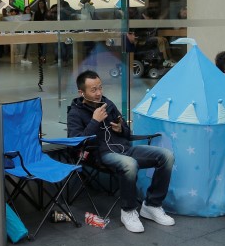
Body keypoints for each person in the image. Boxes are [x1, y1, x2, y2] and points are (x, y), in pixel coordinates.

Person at [68, 70, 175, 233]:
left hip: (125, 149)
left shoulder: (108, 104)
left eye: (100, 88)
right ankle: (128, 211)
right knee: (129, 164)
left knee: (166, 156)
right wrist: (95, 121)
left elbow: (126, 131)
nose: (98, 93)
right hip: (101, 155)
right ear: (81, 92)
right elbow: (76, 143)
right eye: (93, 90)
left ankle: (152, 205)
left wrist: (120, 129)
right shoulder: (75, 112)